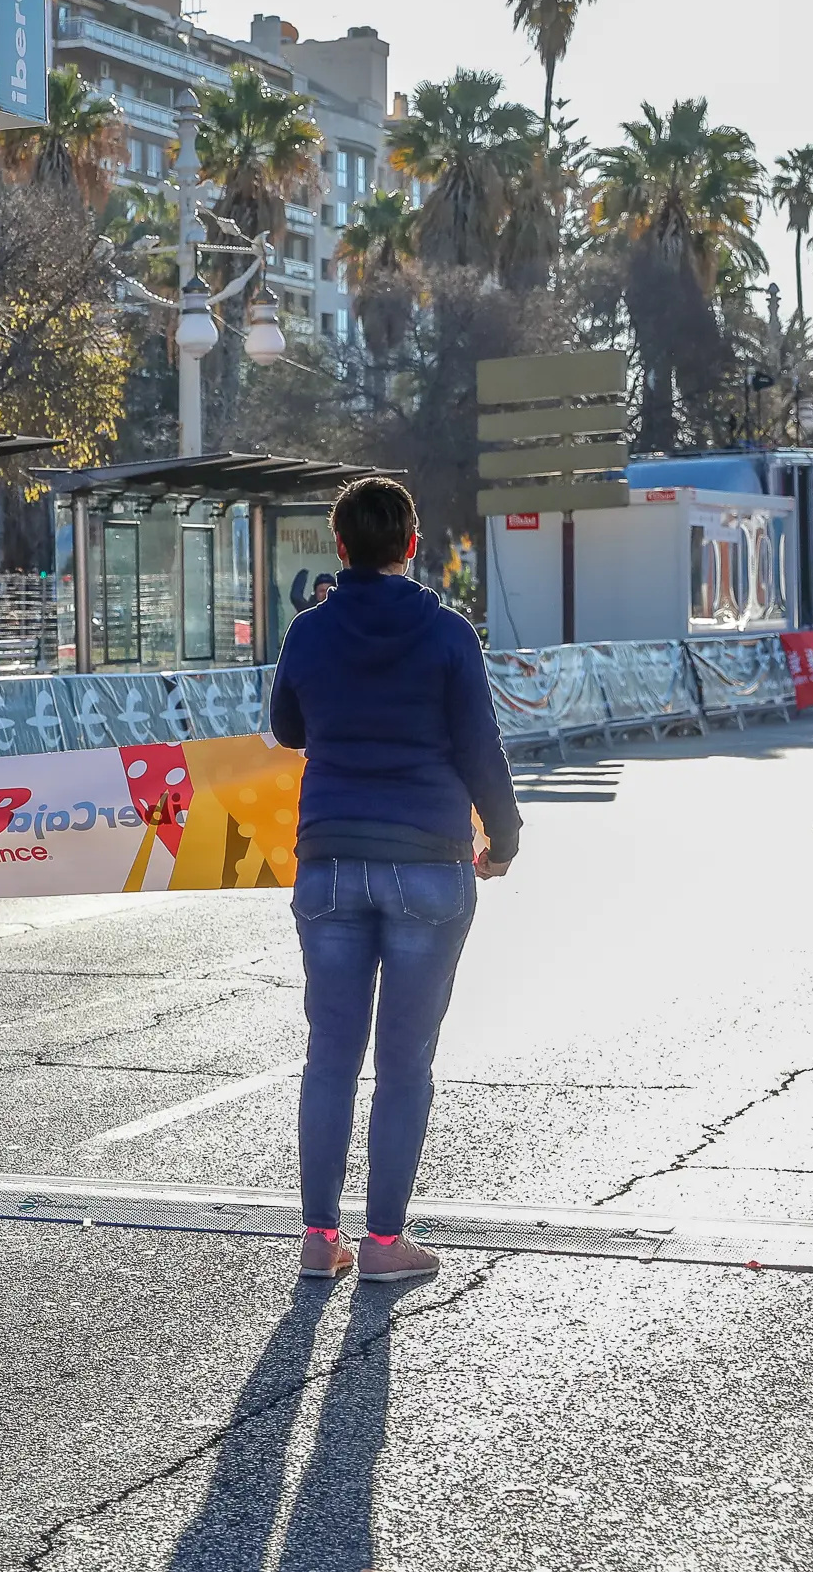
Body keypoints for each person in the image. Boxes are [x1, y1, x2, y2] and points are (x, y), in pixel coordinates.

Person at [268, 476, 520, 1284]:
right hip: (428, 862)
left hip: (330, 859)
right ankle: (382, 1244)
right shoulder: (448, 633)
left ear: (339, 548)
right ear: (411, 544)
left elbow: (287, 727)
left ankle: (317, 1238)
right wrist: (505, 840)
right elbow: (480, 746)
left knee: (329, 1054)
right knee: (405, 1061)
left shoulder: (310, 632)